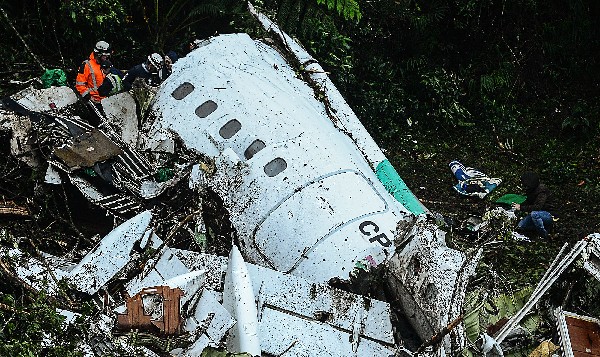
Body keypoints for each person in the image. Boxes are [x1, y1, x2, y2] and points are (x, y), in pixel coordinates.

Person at [512, 171, 555, 238]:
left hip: (548, 214)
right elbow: (528, 201)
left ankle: (544, 235)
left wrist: (521, 208)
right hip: (537, 215)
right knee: (521, 225)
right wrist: (517, 207)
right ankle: (539, 228)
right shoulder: (531, 190)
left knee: (534, 214)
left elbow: (537, 207)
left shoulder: (542, 192)